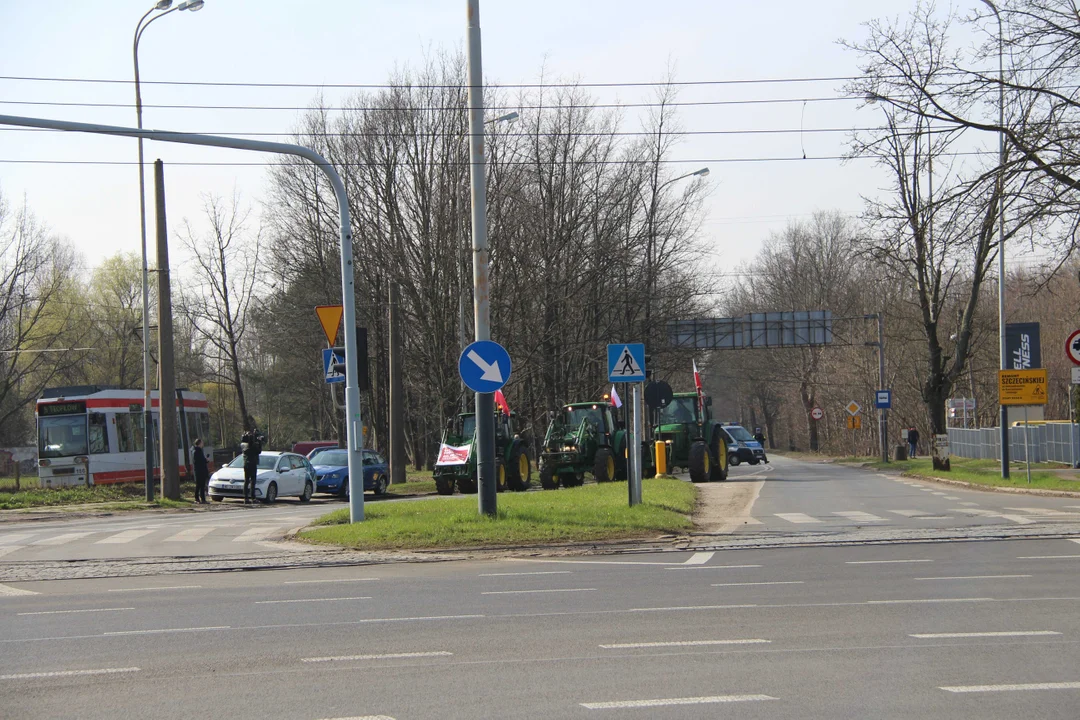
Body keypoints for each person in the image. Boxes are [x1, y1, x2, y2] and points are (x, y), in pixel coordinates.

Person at [240, 418, 263, 505]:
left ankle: (245, 498)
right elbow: (259, 451)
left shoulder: (244, 448)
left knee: (246, 481)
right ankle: (253, 497)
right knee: (253, 481)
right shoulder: (253, 447)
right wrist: (259, 442)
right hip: (253, 464)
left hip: (246, 464)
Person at [192, 438, 209, 504]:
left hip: (199, 470)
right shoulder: (198, 451)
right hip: (200, 471)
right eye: (202, 443)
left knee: (199, 485)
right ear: (199, 443)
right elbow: (200, 461)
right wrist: (205, 460)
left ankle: (198, 498)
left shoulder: (196, 451)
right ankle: (201, 499)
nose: (203, 444)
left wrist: (205, 460)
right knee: (201, 485)